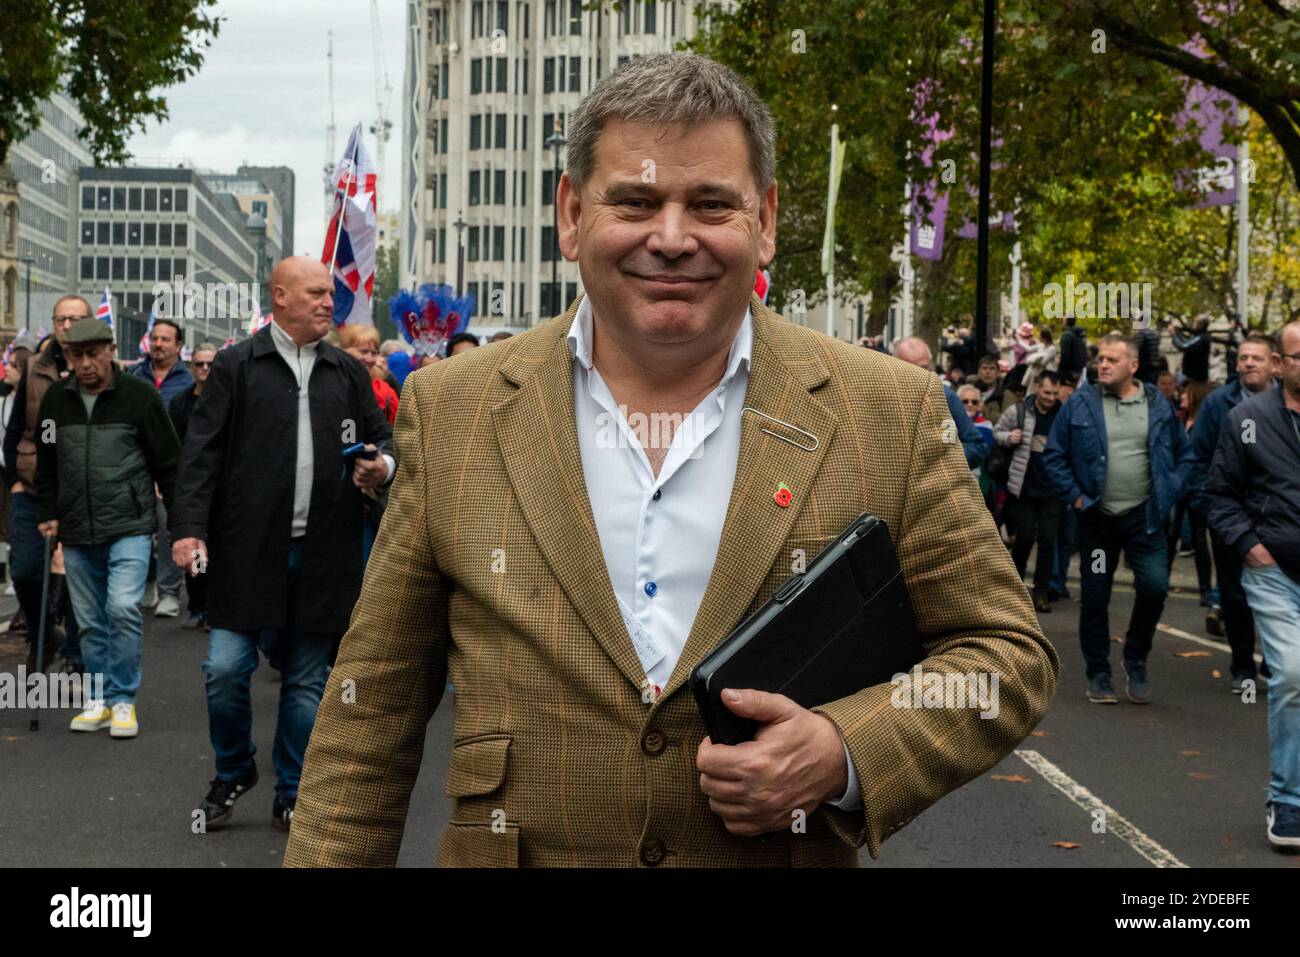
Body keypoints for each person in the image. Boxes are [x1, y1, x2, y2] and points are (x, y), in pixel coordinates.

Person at [283, 52, 1057, 868]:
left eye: (711, 204)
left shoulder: (887, 409)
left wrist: (841, 747)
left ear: (764, 219)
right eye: (638, 201)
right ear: (572, 214)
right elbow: (368, 716)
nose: (673, 237)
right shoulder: (457, 409)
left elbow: (1004, 656)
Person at [171, 257, 395, 832]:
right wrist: (189, 529)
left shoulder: (346, 373)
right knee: (225, 669)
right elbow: (201, 455)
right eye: (316, 293)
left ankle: (291, 789)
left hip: (326, 551)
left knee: (305, 680)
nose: (328, 303)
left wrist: (382, 467)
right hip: (246, 552)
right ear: (280, 297)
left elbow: (385, 439)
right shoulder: (236, 367)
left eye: (331, 294)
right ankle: (233, 768)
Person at [35, 319, 180, 738]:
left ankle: (123, 699)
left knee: (120, 608)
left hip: (130, 524)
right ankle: (97, 696)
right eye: (75, 356)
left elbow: (168, 461)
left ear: (110, 350)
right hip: (76, 526)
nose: (84, 364)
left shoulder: (139, 396)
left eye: (92, 354)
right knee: (90, 619)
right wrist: (49, 510)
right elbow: (46, 461)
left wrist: (182, 522)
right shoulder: (55, 403)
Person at [1043, 332, 1194, 705]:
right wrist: (1077, 499)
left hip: (1144, 519)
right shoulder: (1080, 404)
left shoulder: (1158, 405)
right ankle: (1098, 672)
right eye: (1101, 359)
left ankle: (1136, 659)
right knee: (1095, 594)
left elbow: (1186, 457)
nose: (1103, 365)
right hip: (1098, 520)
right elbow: (1054, 455)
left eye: (1112, 360)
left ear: (1133, 366)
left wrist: (1170, 490)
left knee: (1156, 587)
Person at [1203, 320, 1300, 849]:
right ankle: (1287, 801)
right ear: (1282, 365)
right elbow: (1218, 494)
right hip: (1274, 571)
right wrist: (1250, 546)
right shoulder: (1246, 420)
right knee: (1291, 674)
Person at [3, 298, 89, 673]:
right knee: (23, 569)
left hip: (82, 492)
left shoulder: (99, 368)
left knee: (77, 575)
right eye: (61, 318)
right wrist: (13, 483)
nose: (67, 324)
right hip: (33, 490)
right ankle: (44, 633)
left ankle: (76, 652)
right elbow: (15, 429)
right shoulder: (36, 369)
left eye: (75, 318)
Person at [1189, 331, 1275, 689]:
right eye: (1243, 357)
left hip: (1275, 518)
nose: (1248, 363)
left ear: (1275, 364)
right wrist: (1207, 508)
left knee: (1276, 593)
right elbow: (1197, 458)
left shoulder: (1288, 404)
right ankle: (1243, 667)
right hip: (1227, 515)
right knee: (1235, 595)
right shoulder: (1217, 404)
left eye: (1256, 357)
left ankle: (1275, 662)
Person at [130, 318, 193, 620]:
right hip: (135, 469)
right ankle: (145, 584)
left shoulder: (189, 381)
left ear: (178, 346)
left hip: (172, 471)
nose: (158, 344)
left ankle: (169, 592)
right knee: (139, 530)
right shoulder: (133, 377)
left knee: (170, 530)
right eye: (154, 338)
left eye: (166, 339)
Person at [995, 371, 1063, 613]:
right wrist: (1009, 437)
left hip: (1053, 490)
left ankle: (1041, 592)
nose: (1050, 398)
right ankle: (1014, 589)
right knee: (1023, 539)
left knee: (1047, 541)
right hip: (1023, 488)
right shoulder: (1020, 410)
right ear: (1037, 388)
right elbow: (996, 432)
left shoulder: (1062, 414)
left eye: (1055, 394)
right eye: (1046, 393)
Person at [168, 344, 218, 630]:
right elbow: (173, 444)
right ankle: (198, 605)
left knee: (216, 547)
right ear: (191, 368)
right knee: (192, 543)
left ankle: (213, 607)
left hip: (219, 485)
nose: (205, 369)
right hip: (189, 484)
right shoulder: (180, 403)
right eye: (199, 364)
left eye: (210, 364)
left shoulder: (225, 400)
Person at [893, 336, 989, 471]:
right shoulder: (879, 399)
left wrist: (941, 465)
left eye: (924, 368)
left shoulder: (946, 397)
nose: (919, 376)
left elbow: (976, 446)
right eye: (910, 370)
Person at [338, 324, 399, 425]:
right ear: (344, 351)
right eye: (364, 351)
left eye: (374, 353)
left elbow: (395, 432)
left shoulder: (384, 391)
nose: (370, 359)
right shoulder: (330, 382)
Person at [1172, 315, 1213, 384]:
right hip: (1195, 376)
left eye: (1196, 322)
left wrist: (1173, 334)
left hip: (1194, 377)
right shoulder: (1200, 336)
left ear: (1201, 324)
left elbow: (1183, 345)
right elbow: (1187, 342)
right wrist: (1177, 332)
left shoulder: (1200, 338)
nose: (1194, 325)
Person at [1023, 328, 1058, 395]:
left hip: (1045, 374)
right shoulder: (1040, 345)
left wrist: (1033, 359)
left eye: (1040, 336)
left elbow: (1043, 362)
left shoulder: (1052, 348)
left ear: (1044, 338)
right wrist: (1018, 340)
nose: (1039, 337)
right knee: (1031, 391)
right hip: (1035, 373)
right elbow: (1028, 349)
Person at [974, 355, 1005, 422]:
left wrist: (986, 411)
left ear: (998, 373)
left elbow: (1008, 420)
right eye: (984, 368)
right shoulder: (972, 393)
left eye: (992, 368)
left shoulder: (1005, 395)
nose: (988, 372)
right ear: (979, 372)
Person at [1057, 315, 1087, 384]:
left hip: (1070, 371)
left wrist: (1061, 372)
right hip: (1079, 370)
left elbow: (1065, 356)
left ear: (1066, 321)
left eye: (1063, 319)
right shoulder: (1078, 334)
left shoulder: (1067, 335)